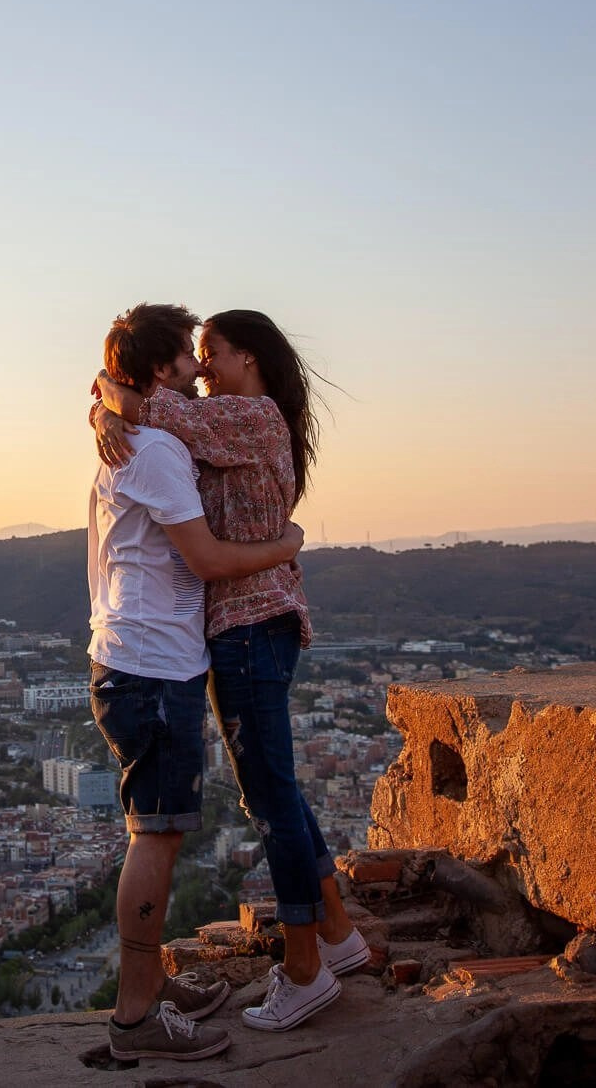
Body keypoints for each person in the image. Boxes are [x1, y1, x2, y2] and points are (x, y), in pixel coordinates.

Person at [95, 308, 369, 1033]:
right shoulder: (225, 420)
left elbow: (140, 398)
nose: (203, 367)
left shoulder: (247, 416)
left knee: (270, 798)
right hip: (246, 625)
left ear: (247, 358)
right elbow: (133, 395)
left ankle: (304, 969)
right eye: (195, 354)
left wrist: (109, 400)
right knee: (275, 789)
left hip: (248, 623)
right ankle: (337, 938)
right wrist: (103, 397)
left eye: (211, 353)